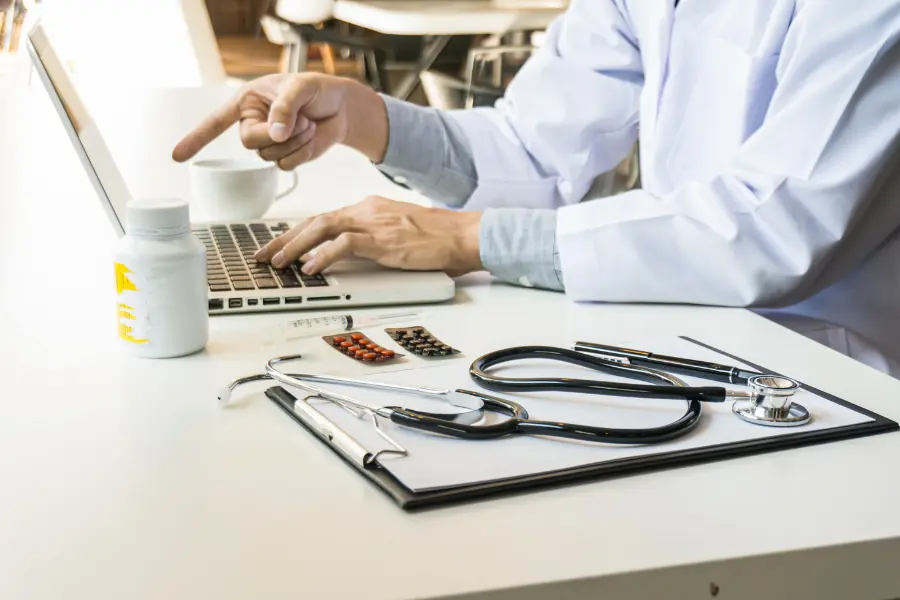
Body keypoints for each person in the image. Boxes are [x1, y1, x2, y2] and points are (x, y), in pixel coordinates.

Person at [173, 0, 900, 378]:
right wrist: (367, 118)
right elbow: (535, 145)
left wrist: (470, 238)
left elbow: (781, 226)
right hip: (699, 334)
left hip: (838, 376)